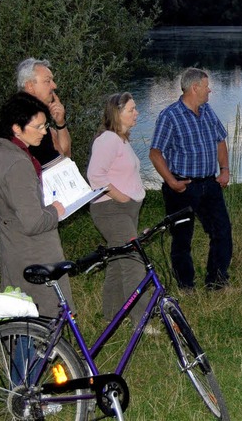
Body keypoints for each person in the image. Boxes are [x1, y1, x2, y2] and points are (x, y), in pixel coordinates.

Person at [149, 68, 232, 291]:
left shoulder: (207, 110)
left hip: (209, 184)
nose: (210, 90)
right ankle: (186, 286)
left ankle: (217, 282)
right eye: (206, 86)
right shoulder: (170, 116)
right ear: (195, 88)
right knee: (182, 238)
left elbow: (220, 140)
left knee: (222, 232)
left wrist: (224, 169)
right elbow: (155, 153)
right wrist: (171, 182)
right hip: (182, 187)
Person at [0, 92, 75, 317]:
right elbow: (33, 222)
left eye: (45, 125)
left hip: (12, 248)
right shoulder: (19, 163)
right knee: (41, 320)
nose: (44, 132)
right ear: (16, 128)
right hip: (34, 253)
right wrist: (54, 211)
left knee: (23, 316)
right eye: (38, 127)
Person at [87, 92, 149, 326]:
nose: (137, 113)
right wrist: (121, 198)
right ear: (117, 113)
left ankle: (111, 315)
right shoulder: (108, 140)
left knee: (117, 260)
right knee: (134, 261)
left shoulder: (121, 139)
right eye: (131, 109)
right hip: (112, 209)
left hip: (123, 210)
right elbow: (95, 176)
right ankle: (140, 320)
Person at [16, 58, 72, 165]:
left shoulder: (41, 115)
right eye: (47, 81)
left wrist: (60, 123)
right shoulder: (20, 118)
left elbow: (65, 154)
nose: (54, 86)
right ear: (30, 86)